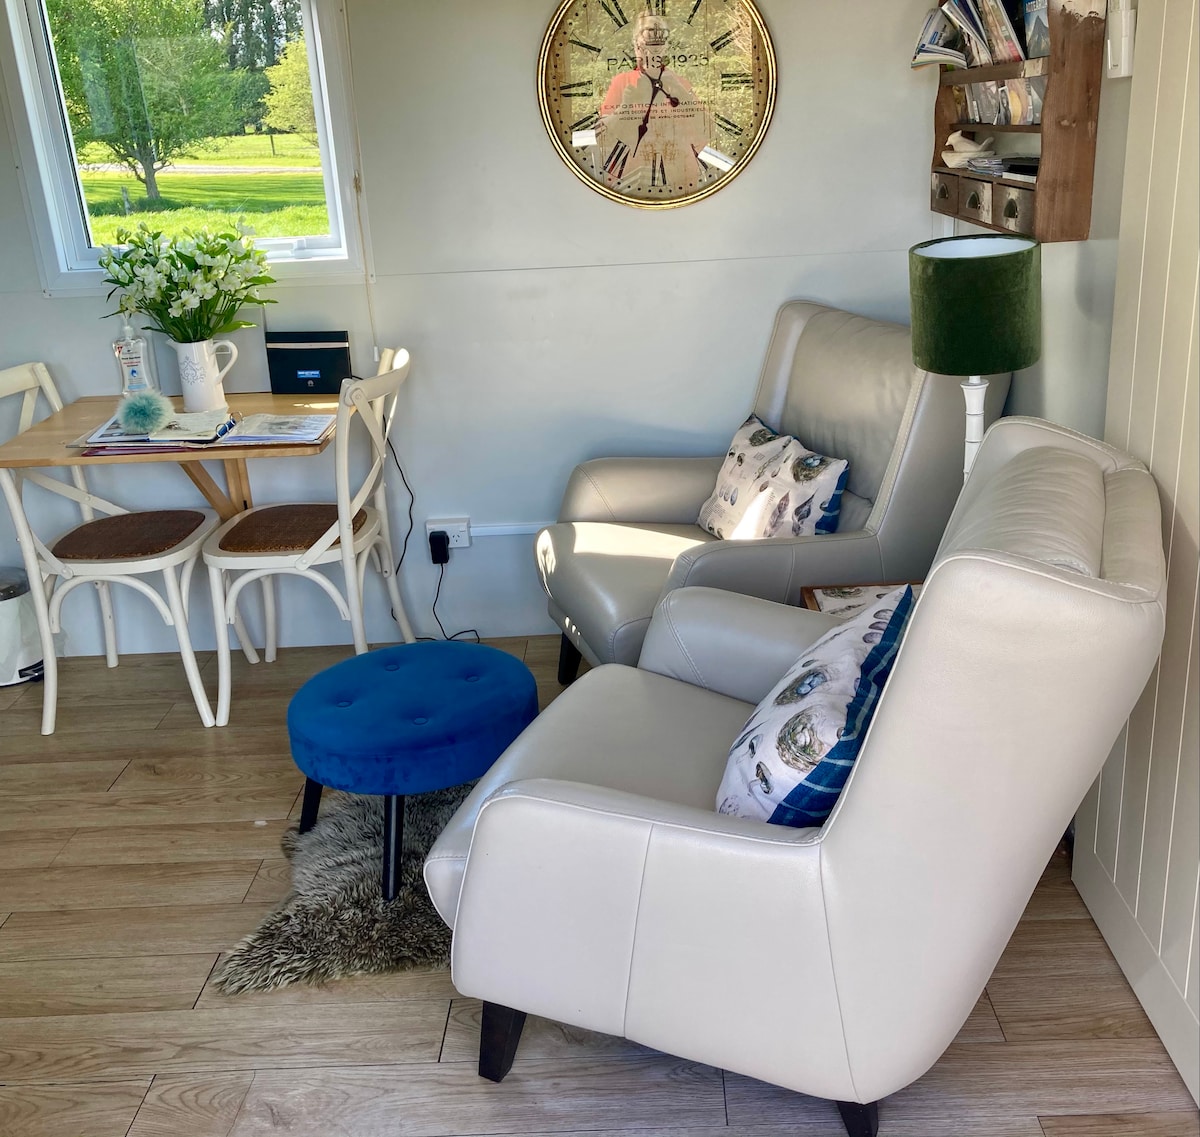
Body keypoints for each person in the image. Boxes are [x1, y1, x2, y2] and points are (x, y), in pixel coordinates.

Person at [595, 12, 711, 190]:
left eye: (658, 44)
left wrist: (679, 92)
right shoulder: (623, 83)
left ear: (666, 48)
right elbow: (601, 136)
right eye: (646, 46)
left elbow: (706, 130)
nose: (651, 52)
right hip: (633, 177)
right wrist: (625, 108)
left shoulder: (678, 83)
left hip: (681, 175)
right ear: (636, 47)